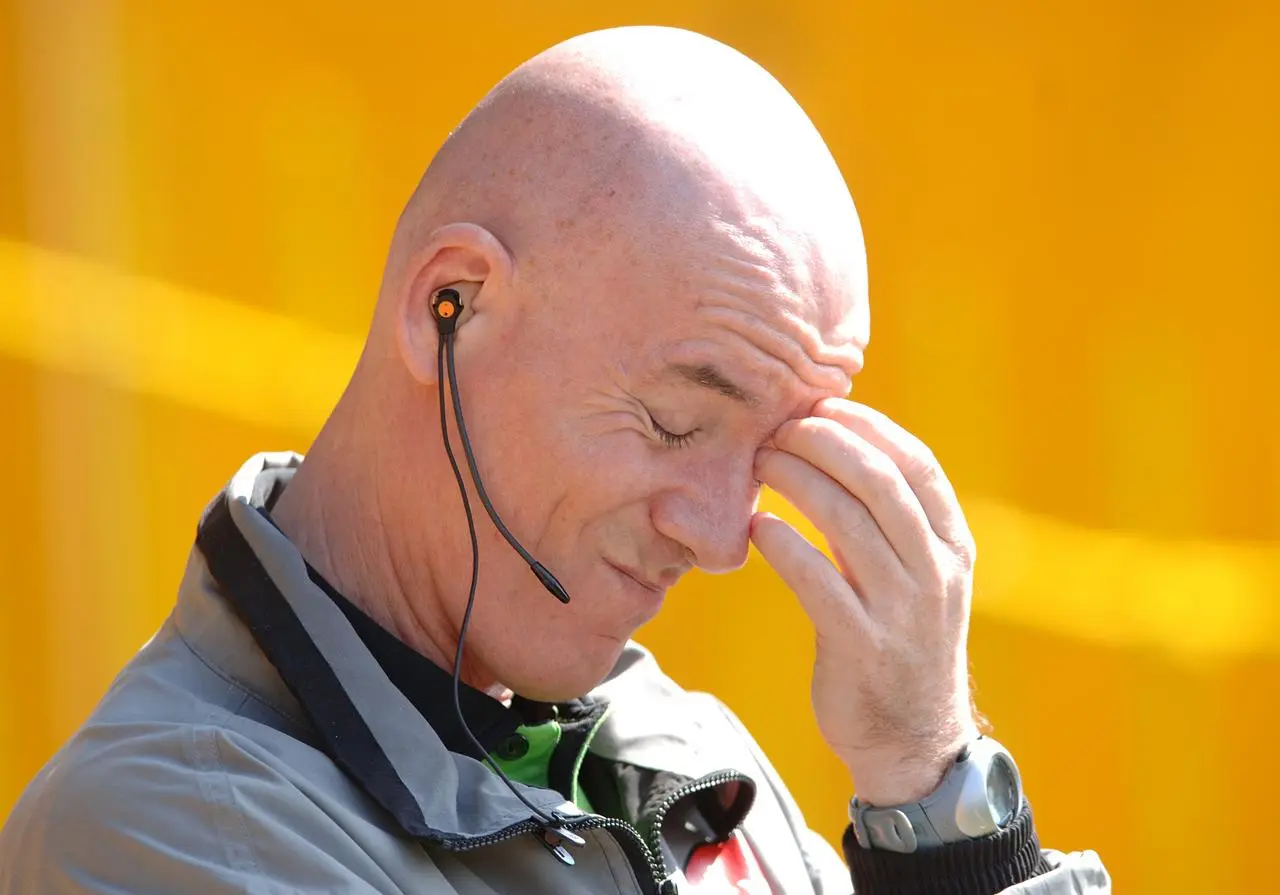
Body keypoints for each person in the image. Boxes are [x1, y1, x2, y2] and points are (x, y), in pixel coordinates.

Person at [0, 26, 1110, 894]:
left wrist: (932, 793)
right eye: (677, 421)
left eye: (770, 456)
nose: (723, 539)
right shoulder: (164, 824)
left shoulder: (686, 749)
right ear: (452, 303)